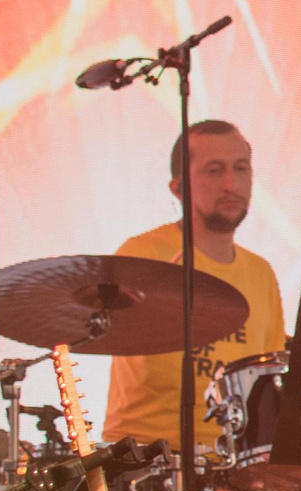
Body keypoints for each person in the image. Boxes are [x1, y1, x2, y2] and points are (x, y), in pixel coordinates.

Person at [103, 119, 286, 450]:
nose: (231, 183)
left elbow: (266, 386)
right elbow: (104, 332)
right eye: (214, 171)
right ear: (178, 189)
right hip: (146, 460)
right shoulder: (142, 254)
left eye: (241, 168)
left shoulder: (261, 273)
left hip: (233, 461)